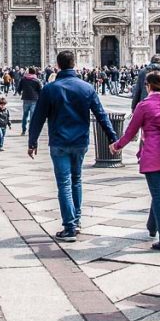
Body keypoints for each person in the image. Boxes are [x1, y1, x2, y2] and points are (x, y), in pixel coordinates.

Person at [28, 50, 119, 243]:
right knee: (76, 180)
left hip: (59, 142)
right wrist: (113, 137)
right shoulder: (86, 88)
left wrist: (32, 141)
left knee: (64, 184)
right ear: (74, 64)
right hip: (80, 142)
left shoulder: (50, 89)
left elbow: (38, 118)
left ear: (58, 65)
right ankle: (76, 221)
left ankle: (69, 227)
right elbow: (101, 114)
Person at [110, 69, 160, 250]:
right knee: (159, 195)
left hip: (153, 158)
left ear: (148, 86)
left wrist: (117, 146)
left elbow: (131, 133)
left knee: (159, 198)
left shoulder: (144, 106)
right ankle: (152, 226)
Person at [17, 66, 42, 135]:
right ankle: (31, 130)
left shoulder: (23, 79)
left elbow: (19, 88)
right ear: (35, 72)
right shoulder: (37, 80)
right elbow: (41, 91)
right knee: (32, 116)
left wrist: (20, 92)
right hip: (34, 99)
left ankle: (23, 130)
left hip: (25, 99)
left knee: (25, 115)